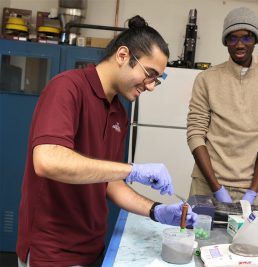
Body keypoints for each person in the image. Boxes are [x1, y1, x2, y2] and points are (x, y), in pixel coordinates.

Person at [17, 15, 197, 267]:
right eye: (149, 74)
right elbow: (47, 160)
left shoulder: (118, 112)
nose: (151, 86)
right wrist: (133, 170)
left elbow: (109, 182)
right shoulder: (67, 88)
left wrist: (156, 210)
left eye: (157, 79)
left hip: (91, 245)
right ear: (123, 56)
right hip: (52, 250)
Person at [186, 7, 258, 206]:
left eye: (246, 38)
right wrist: (216, 188)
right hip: (206, 185)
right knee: (198, 237)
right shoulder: (206, 79)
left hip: (250, 188)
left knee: (248, 239)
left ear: (255, 39)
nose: (240, 44)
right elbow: (195, 133)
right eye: (233, 38)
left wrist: (252, 191)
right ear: (226, 42)